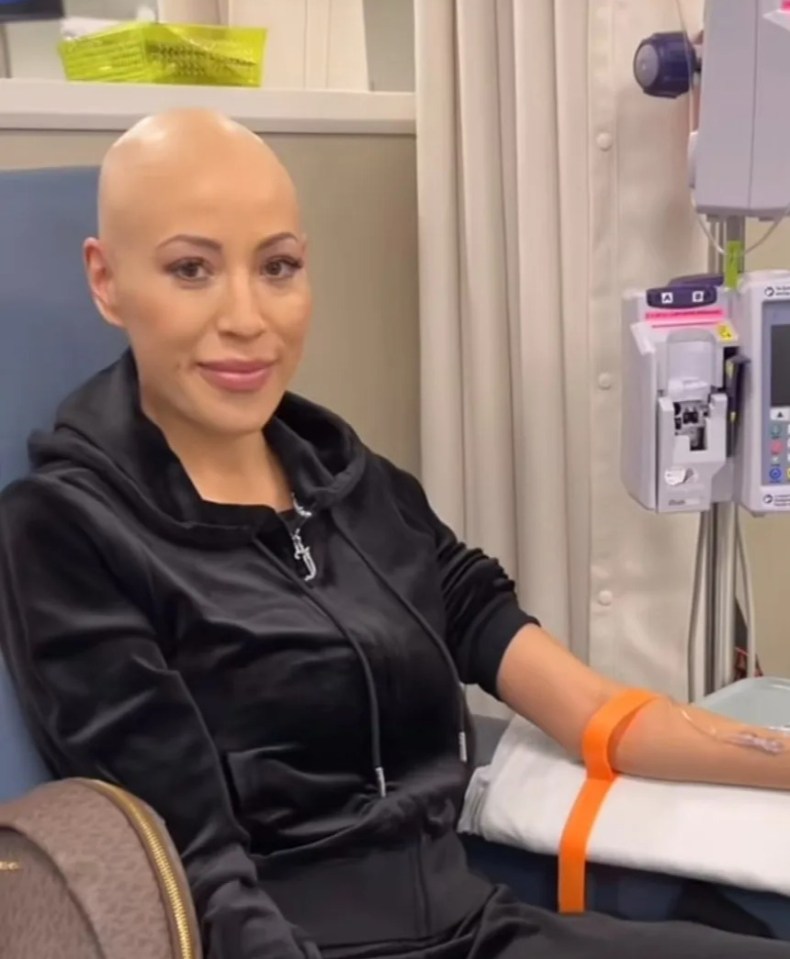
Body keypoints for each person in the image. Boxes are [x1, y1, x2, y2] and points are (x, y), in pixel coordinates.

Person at [0, 109, 787, 959]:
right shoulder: (70, 530)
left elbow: (596, 713)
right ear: (106, 280)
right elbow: (199, 873)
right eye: (191, 269)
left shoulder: (355, 486)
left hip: (478, 926)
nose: (246, 316)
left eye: (278, 267)